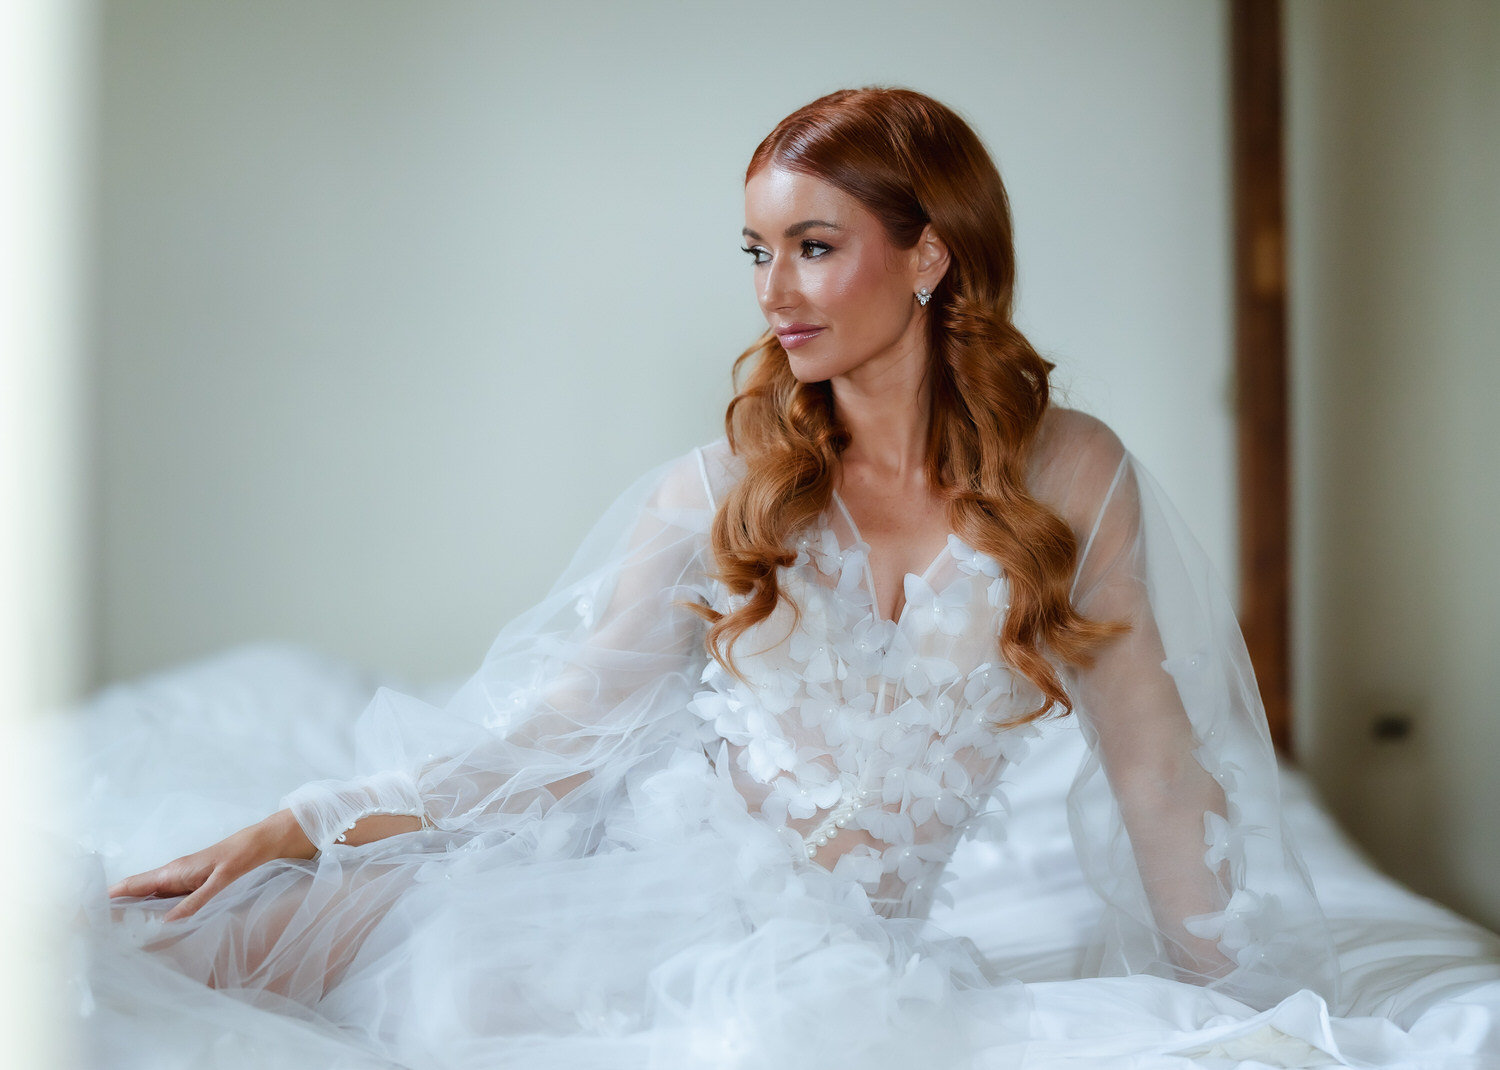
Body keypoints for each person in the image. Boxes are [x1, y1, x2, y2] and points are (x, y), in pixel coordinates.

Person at [100, 87, 1338, 1067]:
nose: (773, 291)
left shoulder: (1071, 476)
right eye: (758, 250)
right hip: (629, 900)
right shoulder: (721, 489)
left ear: (930, 256)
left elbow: (1155, 765)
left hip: (855, 963)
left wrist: (1238, 1006)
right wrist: (301, 823)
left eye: (813, 245)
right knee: (155, 957)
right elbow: (557, 737)